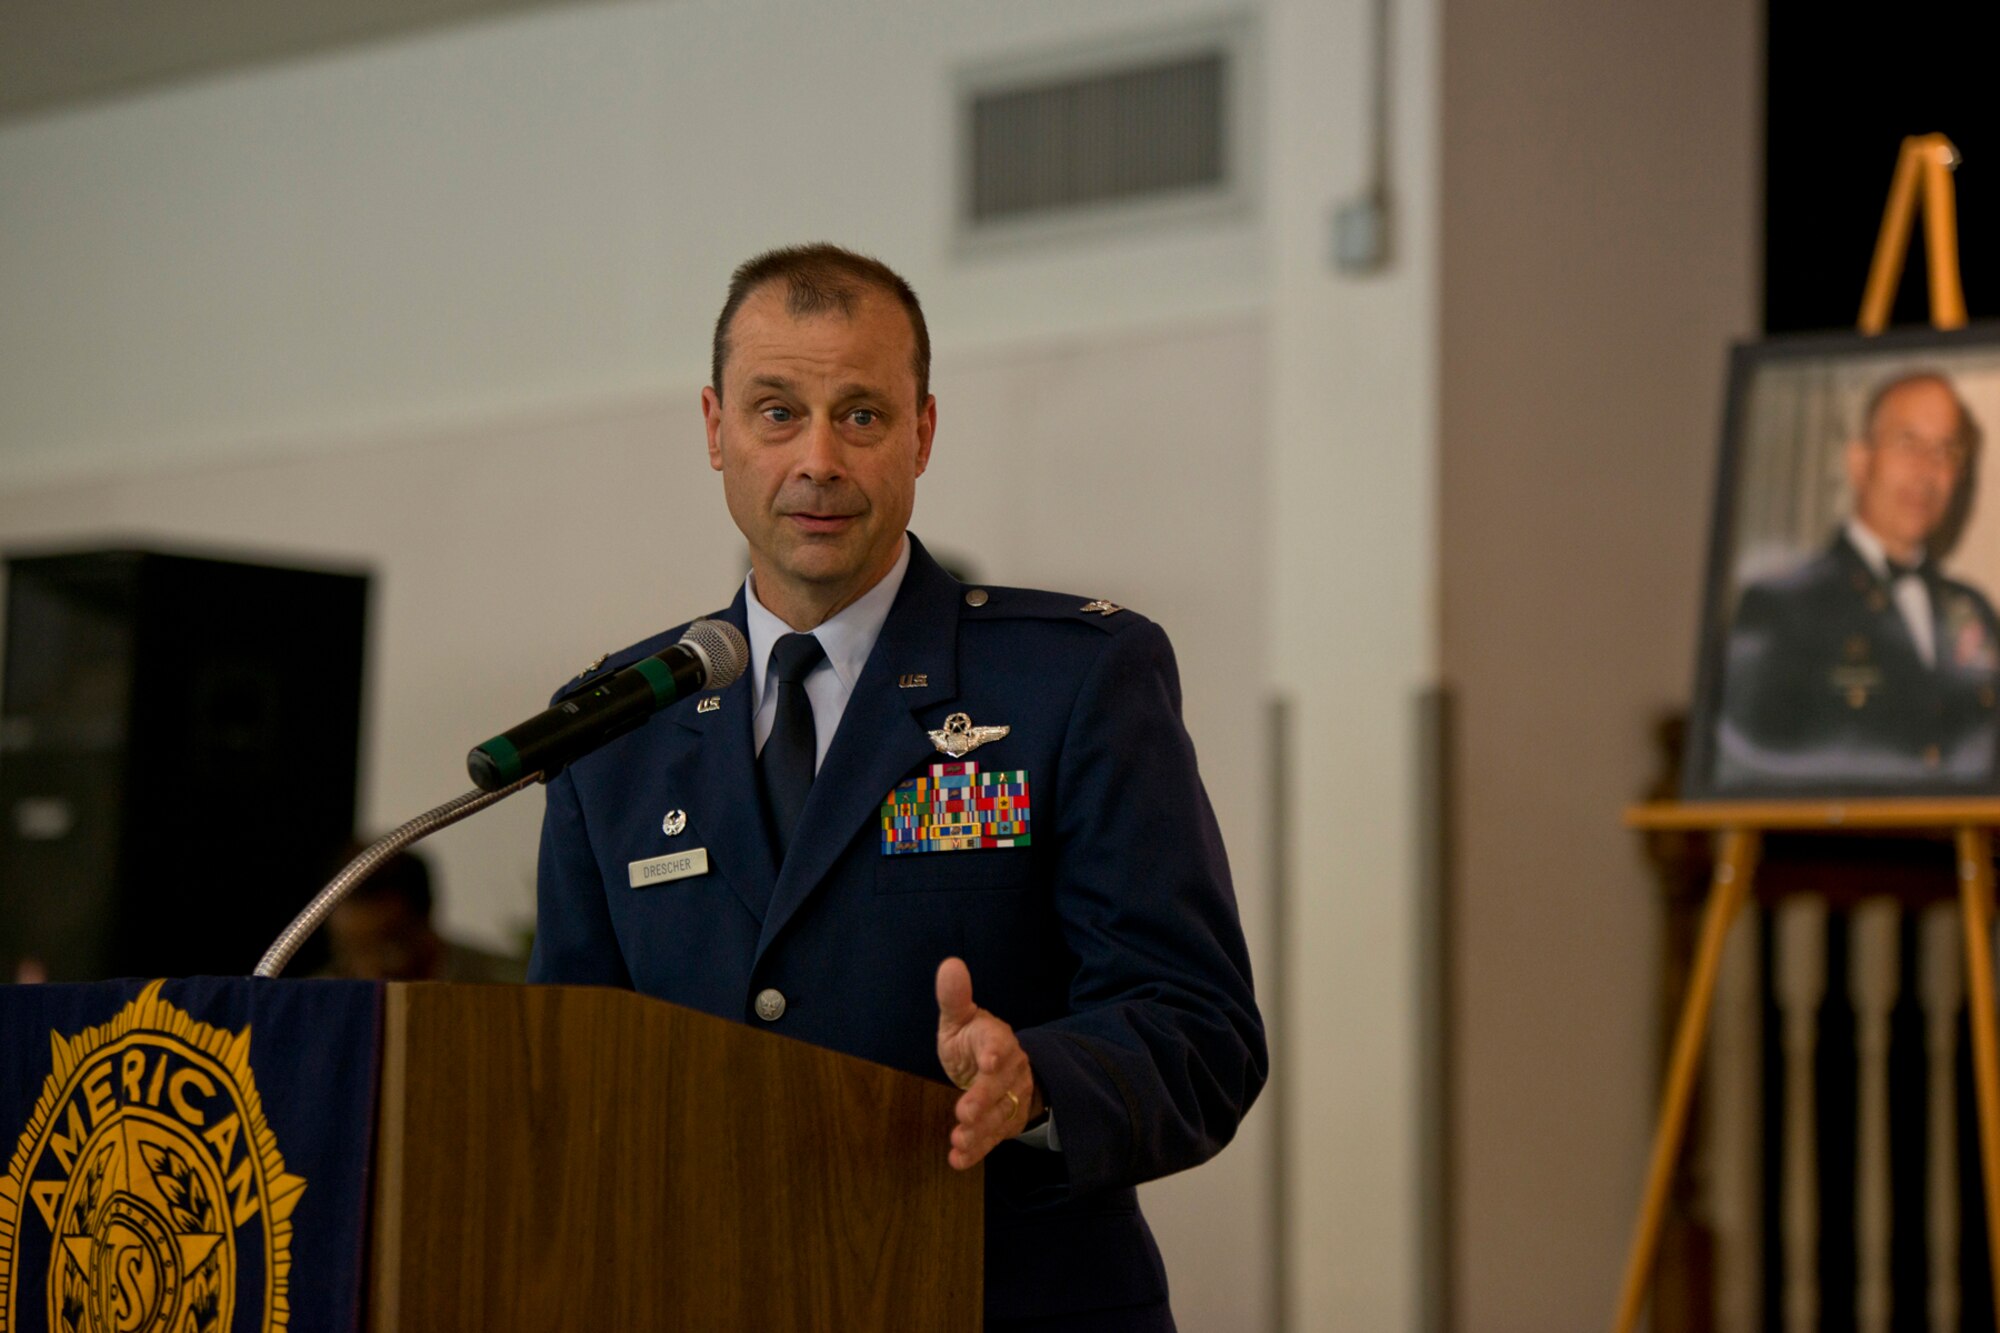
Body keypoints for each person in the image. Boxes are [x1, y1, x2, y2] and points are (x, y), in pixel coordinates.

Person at [528, 244, 1265, 1330]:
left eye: (860, 416)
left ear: (921, 432)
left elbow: (1199, 1031)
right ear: (713, 428)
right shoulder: (616, 731)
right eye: (776, 412)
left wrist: (1035, 1083)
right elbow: (570, 1086)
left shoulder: (1071, 680)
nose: (817, 459)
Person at [1718, 370, 2000, 786]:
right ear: (1859, 461)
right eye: (1909, 445)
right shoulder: (1780, 606)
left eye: (1946, 451)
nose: (1928, 472)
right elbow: (1750, 774)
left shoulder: (1971, 608)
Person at [321, 843, 526, 983]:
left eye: (385, 949)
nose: (370, 971)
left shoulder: (514, 986)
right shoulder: (317, 1001)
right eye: (353, 953)